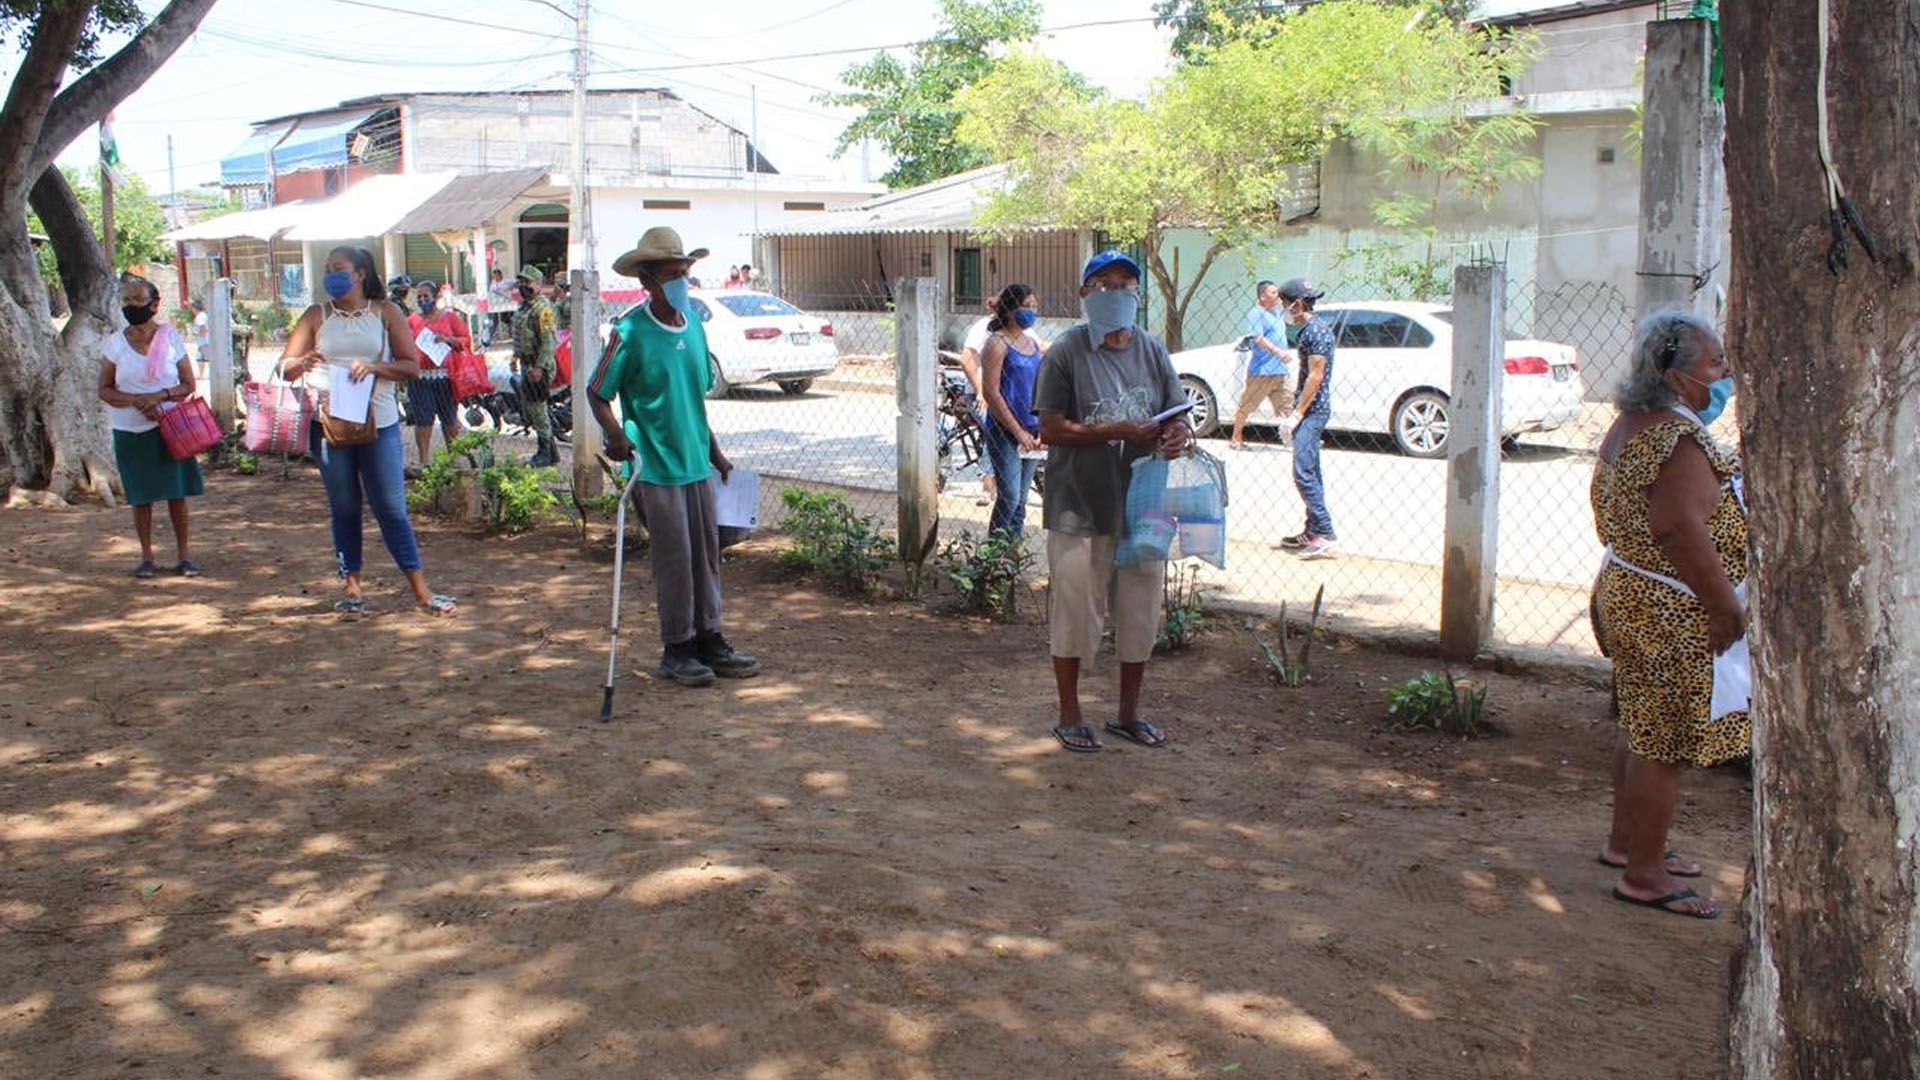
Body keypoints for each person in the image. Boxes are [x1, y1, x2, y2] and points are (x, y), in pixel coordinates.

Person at [1590, 310, 1746, 920]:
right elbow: (1679, 527)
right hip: (1669, 613)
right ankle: (1645, 877)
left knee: (1641, 728)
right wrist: (1723, 605)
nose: (1725, 373)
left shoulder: (1630, 423)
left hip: (1633, 596)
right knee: (1663, 744)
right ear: (1679, 376)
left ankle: (1629, 844)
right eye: (1716, 363)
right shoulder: (1676, 439)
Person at [1034, 251, 1191, 753]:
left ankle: (1128, 714)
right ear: (1085, 294)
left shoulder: (1152, 349)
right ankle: (1070, 714)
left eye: (1126, 284)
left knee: (1140, 610)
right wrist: (1114, 431)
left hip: (1142, 504)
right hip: (1079, 505)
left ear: (1137, 295)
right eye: (1104, 284)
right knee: (1075, 612)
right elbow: (1050, 429)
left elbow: (1177, 414)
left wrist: (1176, 434)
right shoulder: (1066, 352)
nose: (1117, 293)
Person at [589, 226, 760, 687]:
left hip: (695, 463)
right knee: (676, 561)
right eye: (671, 275)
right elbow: (597, 392)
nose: (681, 282)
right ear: (647, 281)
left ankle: (711, 639)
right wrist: (615, 435)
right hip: (654, 467)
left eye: (685, 272)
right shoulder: (629, 332)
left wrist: (717, 454)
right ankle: (677, 648)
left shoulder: (696, 328)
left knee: (707, 557)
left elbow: (694, 401)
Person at [277, 245, 456, 617]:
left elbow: (410, 366)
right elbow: (284, 367)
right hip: (328, 426)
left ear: (360, 274)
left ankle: (422, 591)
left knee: (391, 508)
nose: (331, 275)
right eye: (328, 269)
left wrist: (374, 368)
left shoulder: (386, 312)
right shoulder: (316, 315)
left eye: (338, 268)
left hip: (380, 423)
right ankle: (352, 590)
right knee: (344, 508)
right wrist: (301, 361)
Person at [98, 276, 204, 578]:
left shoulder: (171, 339)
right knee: (141, 496)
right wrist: (137, 401)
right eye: (127, 301)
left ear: (155, 305)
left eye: (138, 300)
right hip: (130, 431)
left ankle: (184, 556)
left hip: (171, 429)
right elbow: (105, 389)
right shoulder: (115, 344)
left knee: (176, 494)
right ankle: (147, 557)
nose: (131, 306)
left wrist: (160, 397)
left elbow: (188, 384)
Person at [1273, 277, 1337, 559]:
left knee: (1303, 472)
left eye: (1285, 304)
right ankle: (1313, 530)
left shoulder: (1315, 332)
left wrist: (1297, 414)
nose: (1284, 309)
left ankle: (1325, 532)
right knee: (1311, 470)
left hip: (1313, 410)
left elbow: (1316, 376)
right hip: (1309, 409)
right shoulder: (1311, 330)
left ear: (1297, 304)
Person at [978, 283, 1045, 537]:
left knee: (1022, 499)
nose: (1032, 311)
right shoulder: (997, 343)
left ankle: (1013, 549)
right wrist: (1017, 432)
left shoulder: (1032, 343)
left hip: (1032, 429)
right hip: (1004, 430)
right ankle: (995, 550)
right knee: (1010, 495)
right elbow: (991, 393)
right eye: (1026, 306)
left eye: (1034, 306)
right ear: (1009, 308)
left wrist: (1041, 428)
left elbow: (1039, 387)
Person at [405, 277, 471, 474]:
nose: (422, 300)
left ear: (435, 297)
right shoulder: (412, 320)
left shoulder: (450, 318)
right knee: (423, 420)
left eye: (426, 296)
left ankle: (454, 459)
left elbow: (466, 340)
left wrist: (448, 340)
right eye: (419, 297)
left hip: (444, 377)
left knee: (449, 419)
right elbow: (403, 343)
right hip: (420, 378)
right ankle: (424, 461)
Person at [1228, 280, 1295, 451]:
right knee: (1247, 405)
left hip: (1280, 370)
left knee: (1290, 403)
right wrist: (1278, 352)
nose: (1277, 295)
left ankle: (1293, 439)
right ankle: (1236, 437)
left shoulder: (1278, 313)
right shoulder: (1256, 314)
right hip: (1262, 370)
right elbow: (1258, 338)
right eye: (1273, 292)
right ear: (1262, 296)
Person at [511, 265, 560, 467]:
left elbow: (549, 341)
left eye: (528, 282)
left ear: (538, 284)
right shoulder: (524, 308)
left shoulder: (543, 309)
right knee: (532, 409)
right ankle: (550, 451)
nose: (523, 286)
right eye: (521, 282)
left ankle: (545, 451)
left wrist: (540, 367)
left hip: (538, 365)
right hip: (527, 363)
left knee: (537, 409)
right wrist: (515, 356)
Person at [957, 305, 998, 508]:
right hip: (980, 395)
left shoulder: (1022, 330)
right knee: (995, 429)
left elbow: (1039, 348)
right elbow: (967, 360)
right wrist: (981, 391)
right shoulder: (983, 328)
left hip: (1005, 395)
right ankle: (988, 485)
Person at [485, 267, 513, 345]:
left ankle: (512, 337)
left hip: (507, 306)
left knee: (511, 322)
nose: (496, 278)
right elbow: (490, 295)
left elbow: (517, 282)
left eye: (497, 276)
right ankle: (489, 338)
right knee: (493, 321)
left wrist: (510, 288)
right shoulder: (493, 285)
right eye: (494, 276)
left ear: (500, 275)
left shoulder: (507, 281)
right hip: (497, 307)